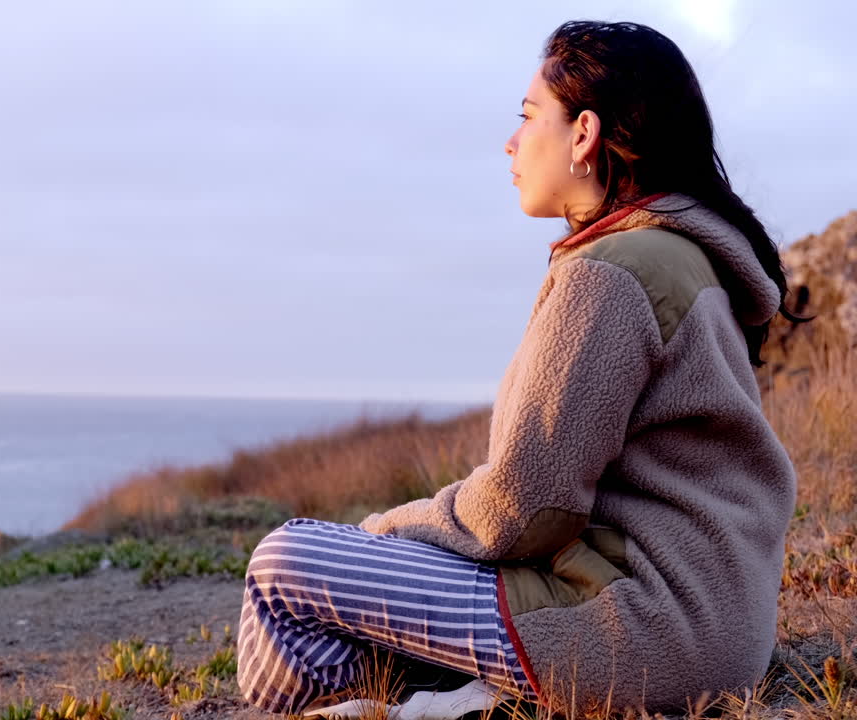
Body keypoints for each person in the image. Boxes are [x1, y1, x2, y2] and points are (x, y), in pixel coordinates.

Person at [236, 19, 807, 718]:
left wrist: (379, 534)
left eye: (530, 117)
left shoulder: (615, 273)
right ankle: (445, 699)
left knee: (281, 564)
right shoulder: (678, 259)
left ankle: (424, 702)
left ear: (584, 135)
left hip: (639, 628)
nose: (511, 142)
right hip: (712, 630)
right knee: (347, 596)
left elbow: (521, 509)